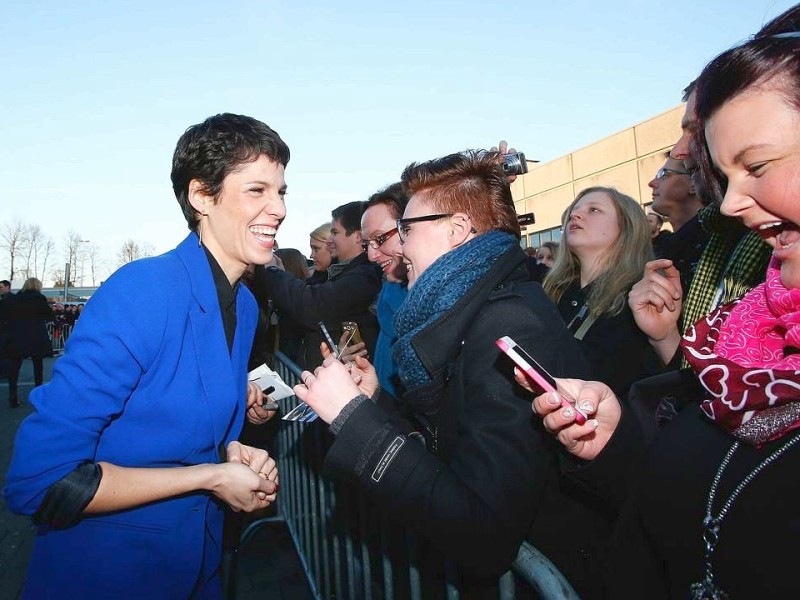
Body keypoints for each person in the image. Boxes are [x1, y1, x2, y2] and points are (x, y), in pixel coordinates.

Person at [523, 10, 800, 597]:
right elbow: (698, 485)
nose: (730, 203)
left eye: (756, 166)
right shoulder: (751, 325)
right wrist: (617, 438)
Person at [295, 150, 600, 596]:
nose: (398, 246)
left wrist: (353, 417)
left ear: (457, 231)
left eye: (406, 230)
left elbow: (485, 533)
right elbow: (450, 443)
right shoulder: (474, 308)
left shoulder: (508, 324)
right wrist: (375, 402)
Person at [4, 113, 284, 599]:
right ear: (201, 196)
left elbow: (178, 427)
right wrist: (213, 475)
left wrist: (230, 451)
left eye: (282, 191)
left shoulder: (244, 303)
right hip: (109, 576)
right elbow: (40, 483)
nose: (278, 208)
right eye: (257, 190)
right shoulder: (143, 290)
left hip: (200, 569)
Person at [543, 186, 656, 396]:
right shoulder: (555, 291)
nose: (574, 214)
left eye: (594, 210)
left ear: (626, 227)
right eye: (574, 210)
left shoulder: (641, 297)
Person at [262, 201, 382, 369]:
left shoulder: (366, 276)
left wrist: (273, 272)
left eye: (335, 232)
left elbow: (312, 304)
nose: (329, 241)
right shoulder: (336, 274)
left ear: (357, 236)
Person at [0, 277, 53, 407]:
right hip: (35, 336)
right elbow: (48, 314)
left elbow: (5, 316)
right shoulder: (39, 299)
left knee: (15, 368)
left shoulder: (14, 299)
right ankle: (38, 394)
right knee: (37, 366)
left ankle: (13, 396)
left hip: (17, 336)